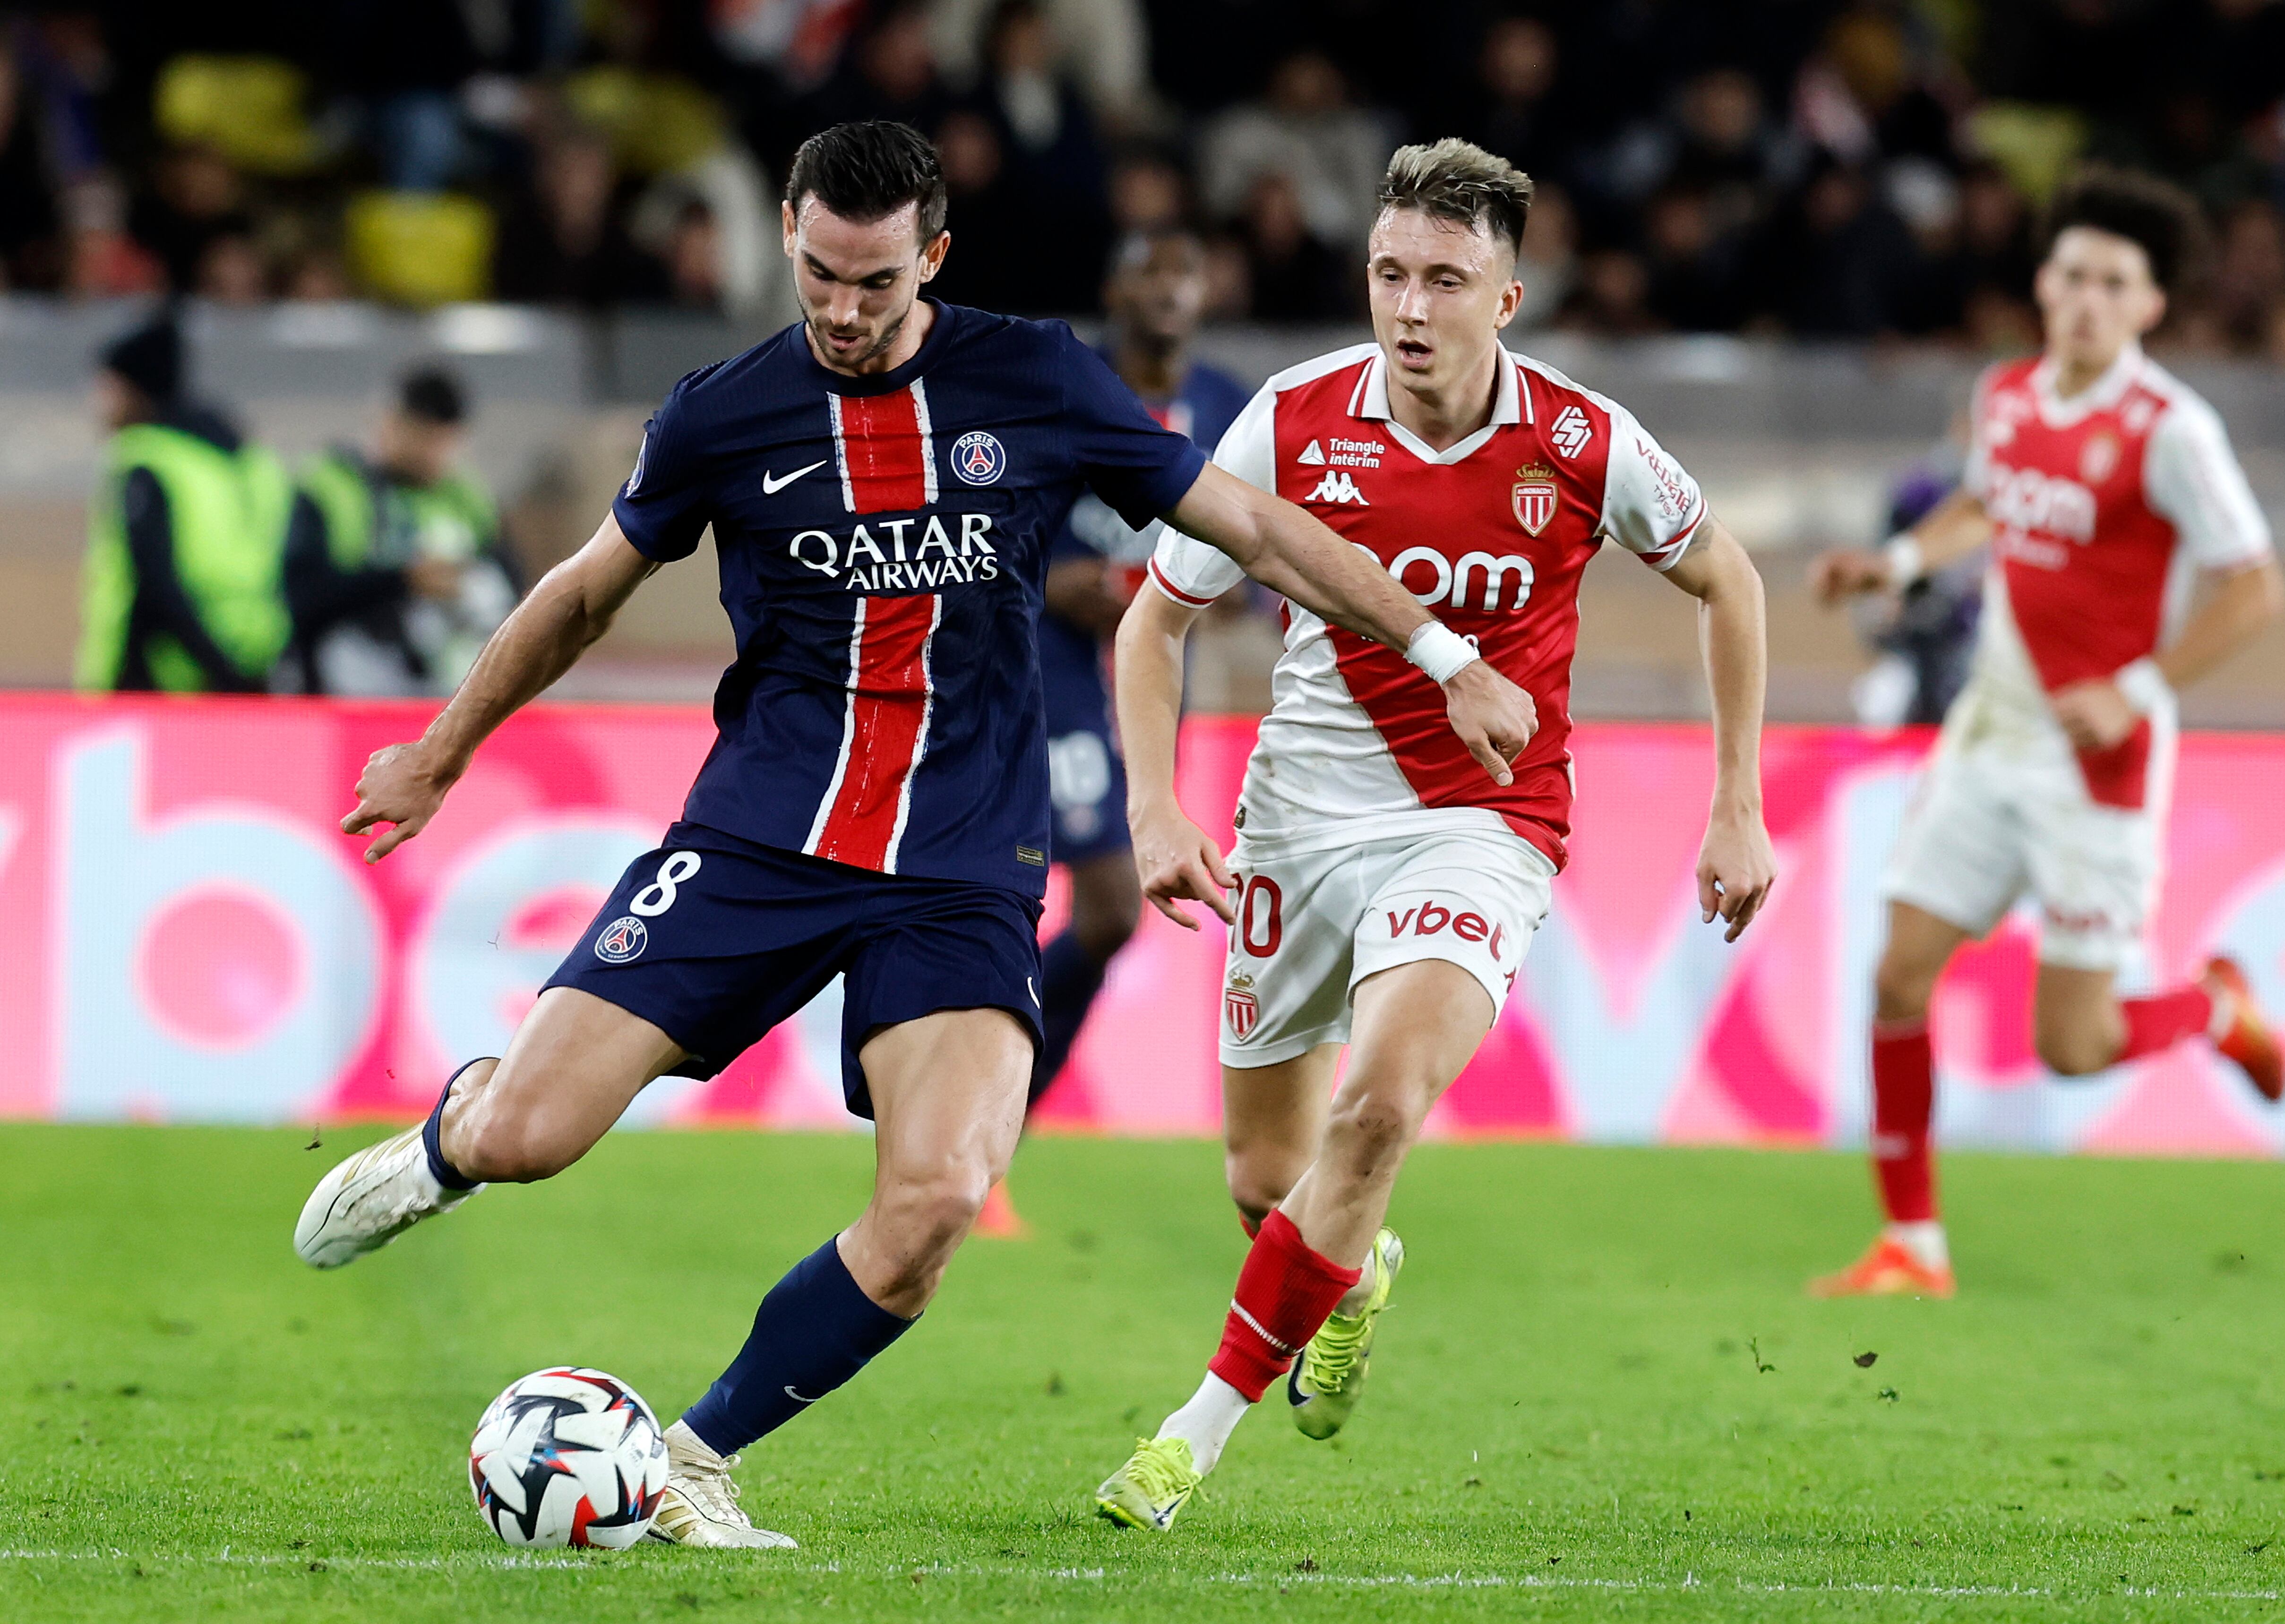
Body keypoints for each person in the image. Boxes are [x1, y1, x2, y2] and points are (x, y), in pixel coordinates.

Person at [290, 120, 1536, 1548]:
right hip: (761, 838)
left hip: (957, 866)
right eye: (818, 272)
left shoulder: (1033, 377)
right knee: (530, 1137)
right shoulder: (724, 413)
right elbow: (584, 593)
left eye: (874, 283)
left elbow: (1250, 525)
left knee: (941, 1197)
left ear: (931, 259)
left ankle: (695, 1457)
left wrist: (1445, 656)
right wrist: (442, 752)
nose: (839, 308)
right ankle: (458, 1130)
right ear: (786, 239)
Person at [1091, 138, 1777, 1532]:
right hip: (1297, 819)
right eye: (1389, 274)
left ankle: (1186, 1440)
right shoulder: (1288, 422)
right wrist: (1155, 804)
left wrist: (1737, 802)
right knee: (1265, 1182)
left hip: (1484, 822)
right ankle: (1352, 1273)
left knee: (1380, 1107)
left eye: (1445, 280)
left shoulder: (1580, 442)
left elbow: (1727, 576)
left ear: (1507, 298)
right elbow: (1154, 617)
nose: (1409, 308)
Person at [1807, 167, 2285, 1300]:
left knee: (2074, 1049)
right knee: (1898, 977)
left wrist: (2138, 684)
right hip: (1991, 736)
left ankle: (2216, 1006)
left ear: (2150, 307)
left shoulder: (2171, 431)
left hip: (2097, 764)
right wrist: (1902, 561)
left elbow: (2254, 589)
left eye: (2112, 283)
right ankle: (1911, 1248)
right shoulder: (2007, 393)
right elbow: (1987, 500)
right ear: (2041, 281)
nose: (2084, 298)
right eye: (2070, 273)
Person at [1032, 227, 1251, 1103]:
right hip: (1050, 666)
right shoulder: (1069, 386)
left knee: (1106, 915)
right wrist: (1052, 580)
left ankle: (995, 1114)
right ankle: (988, 1106)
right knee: (1110, 901)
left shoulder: (1229, 408)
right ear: (1114, 293)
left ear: (1206, 292)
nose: (1168, 289)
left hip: (1155, 677)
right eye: (1148, 273)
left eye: (1185, 271)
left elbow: (1251, 565)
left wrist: (1177, 592)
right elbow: (1002, 527)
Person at [76, 312, 291, 694]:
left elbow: (155, 583)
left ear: (135, 390)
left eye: (108, 387)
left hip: (161, 679)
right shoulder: (249, 460)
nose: (99, 403)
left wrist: (217, 667)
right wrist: (239, 675)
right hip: (253, 659)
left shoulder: (145, 460)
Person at [283, 366, 518, 697]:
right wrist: (403, 581)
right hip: (344, 697)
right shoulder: (331, 487)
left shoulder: (466, 499)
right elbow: (303, 598)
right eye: (423, 436)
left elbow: (515, 590)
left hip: (444, 699)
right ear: (389, 421)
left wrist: (468, 583)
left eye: (445, 441)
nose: (432, 453)